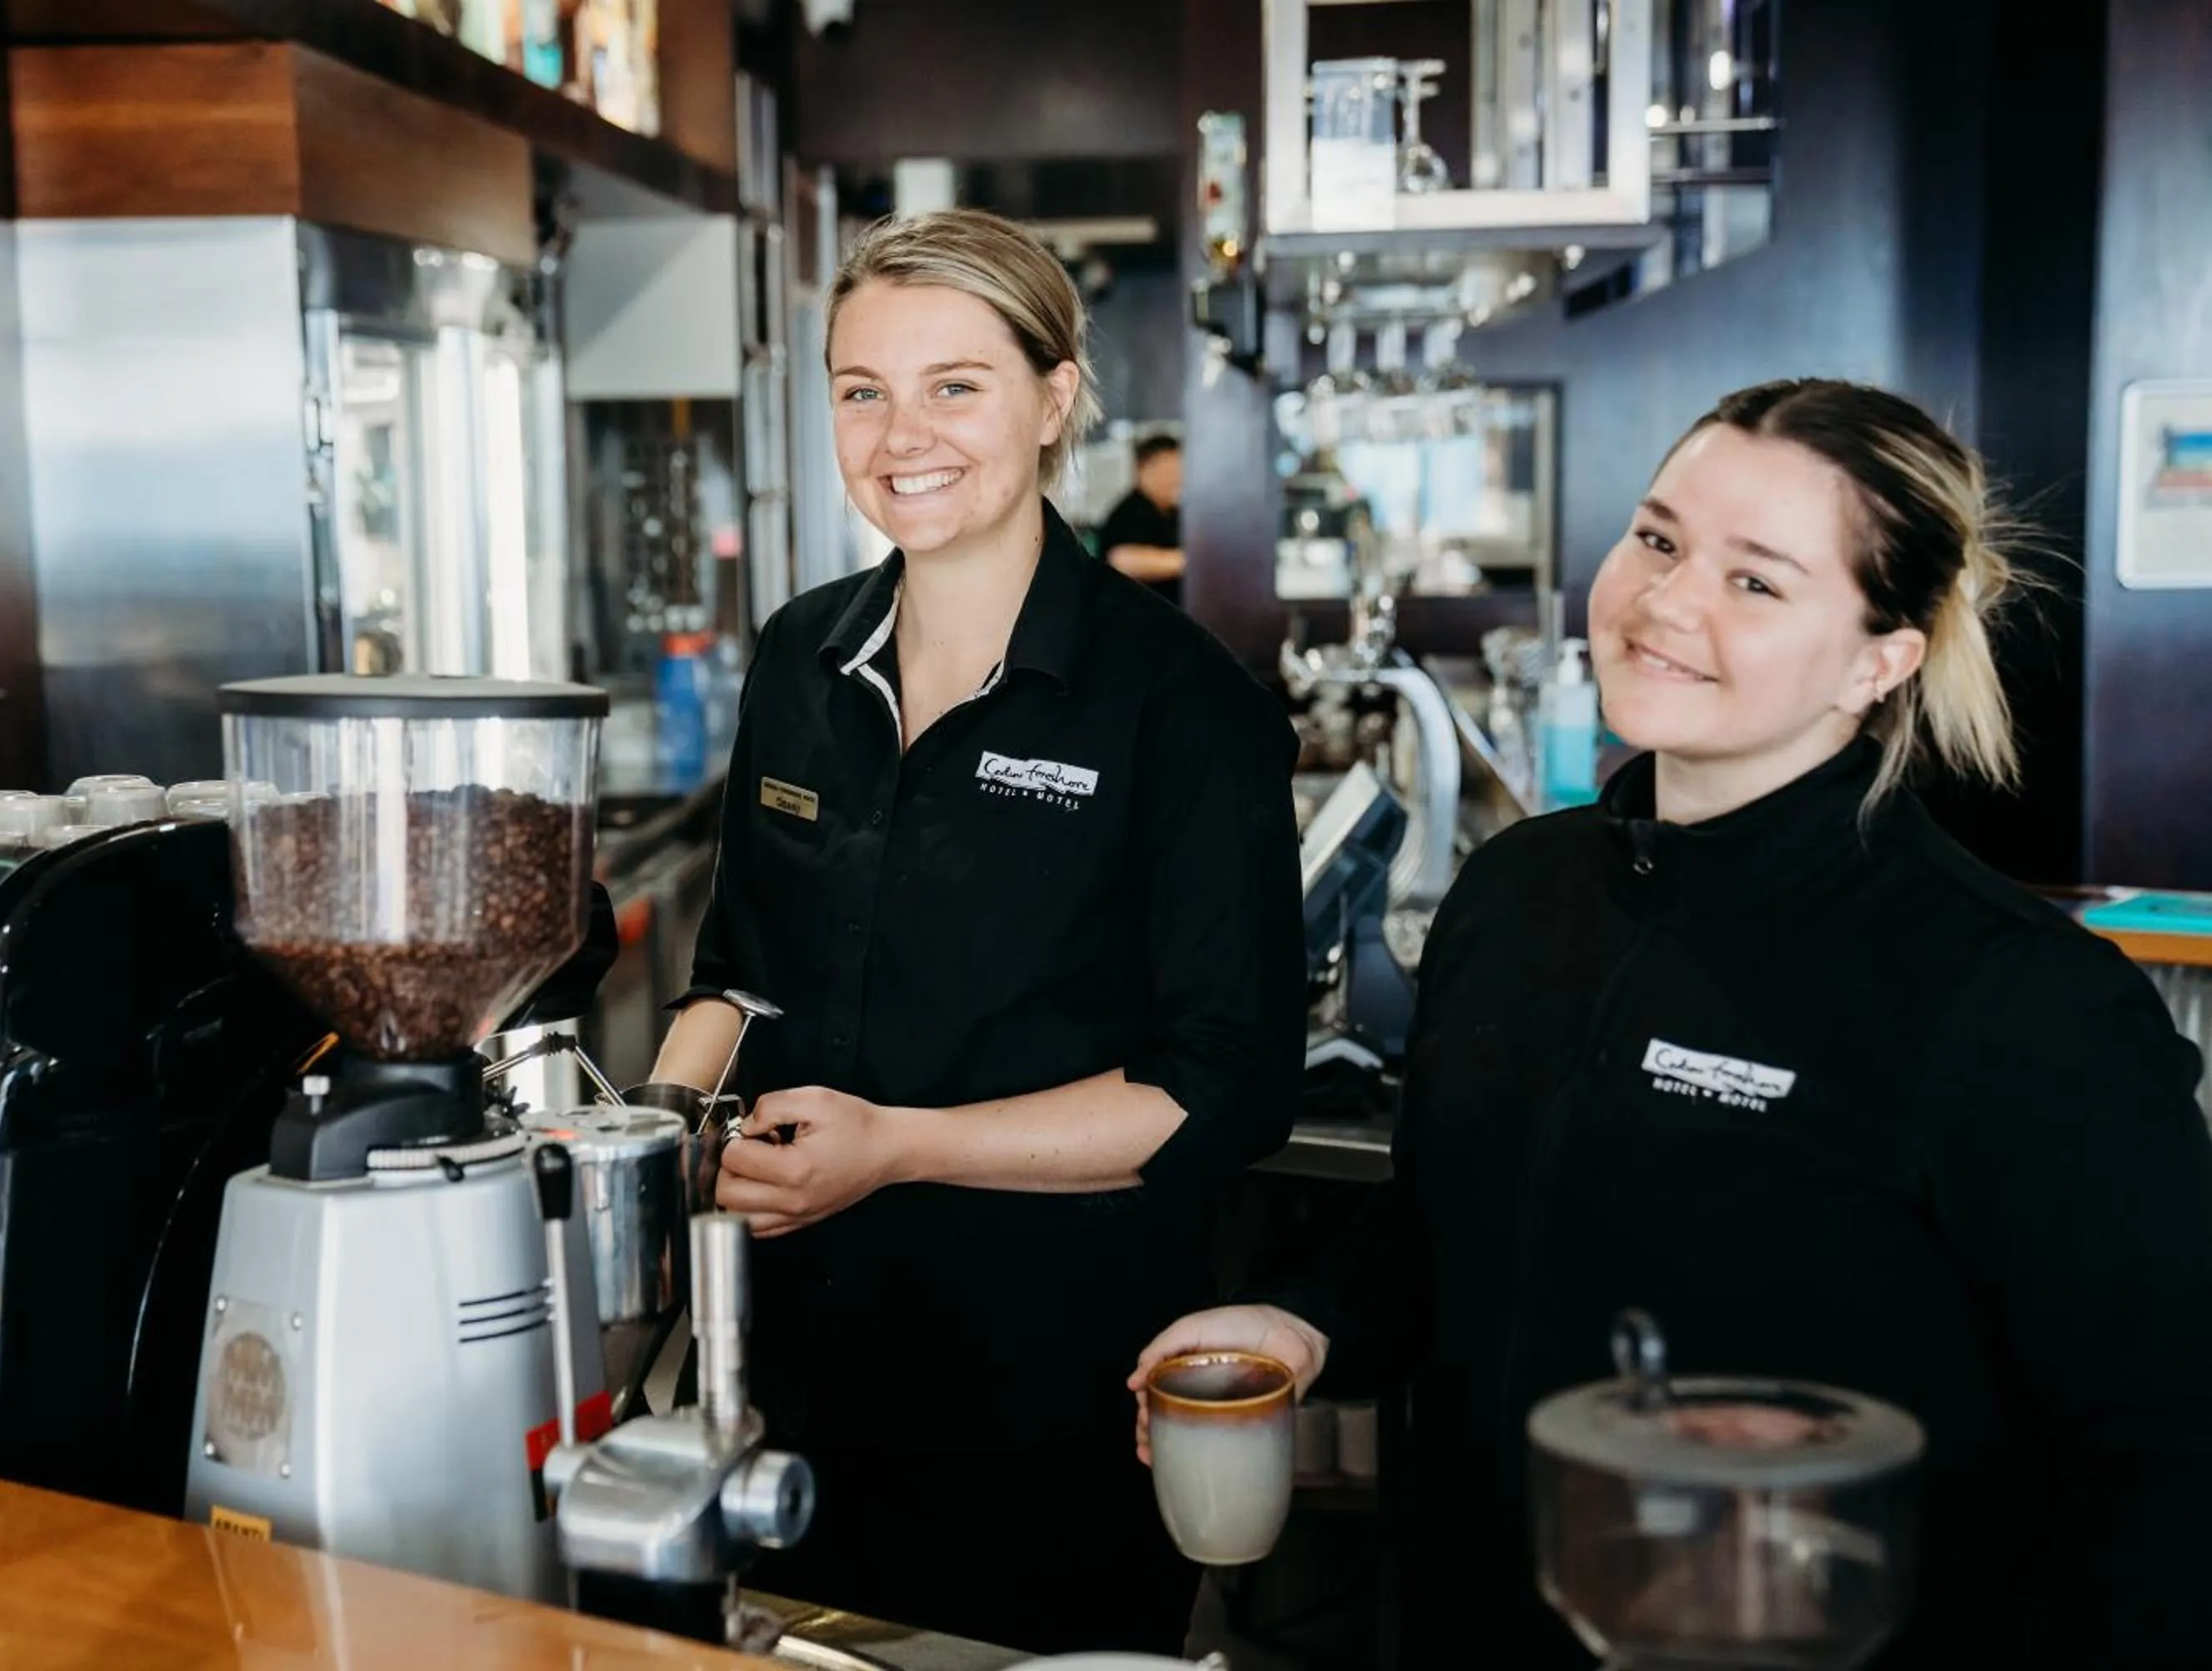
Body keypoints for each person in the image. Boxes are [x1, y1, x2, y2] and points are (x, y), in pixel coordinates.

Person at [1134, 378, 2212, 1669]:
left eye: (1756, 580)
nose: (1665, 602)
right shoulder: (1517, 892)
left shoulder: (2024, 1003)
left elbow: (2165, 1472)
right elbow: (1448, 1227)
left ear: (1881, 658)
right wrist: (1305, 1320)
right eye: (1657, 539)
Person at [648, 208, 1304, 1655]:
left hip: (1047, 1392)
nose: (903, 437)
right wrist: (650, 1135)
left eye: (956, 386)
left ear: (1055, 398)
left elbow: (1228, 1082)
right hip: (782, 1367)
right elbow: (735, 979)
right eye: (862, 390)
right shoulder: (801, 656)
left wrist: (900, 1146)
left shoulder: (1181, 705)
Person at [1096, 434, 1184, 606]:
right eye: (1167, 469)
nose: (1175, 478)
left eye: (1178, 469)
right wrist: (1189, 561)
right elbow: (1122, 560)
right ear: (1141, 469)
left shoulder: (1174, 512)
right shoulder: (1131, 511)